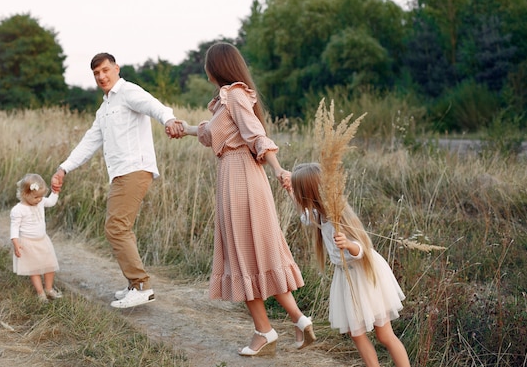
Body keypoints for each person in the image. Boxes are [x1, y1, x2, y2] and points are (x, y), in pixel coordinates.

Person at [175, 42, 315, 356]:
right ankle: (300, 319)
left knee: (242, 255)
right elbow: (212, 134)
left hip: (240, 178)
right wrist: (181, 128)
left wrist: (280, 169)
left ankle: (264, 331)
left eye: (207, 65)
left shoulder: (234, 95)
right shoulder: (226, 101)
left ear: (216, 68)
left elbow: (256, 134)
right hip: (240, 176)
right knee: (259, 254)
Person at [51, 52, 182, 309]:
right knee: (119, 227)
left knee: (116, 227)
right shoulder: (105, 109)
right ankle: (135, 285)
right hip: (121, 173)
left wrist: (169, 120)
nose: (101, 76)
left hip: (135, 169)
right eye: (96, 73)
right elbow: (89, 142)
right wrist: (63, 168)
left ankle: (141, 285)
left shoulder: (128, 92)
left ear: (116, 69)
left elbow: (154, 106)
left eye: (105, 70)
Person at [290, 162, 410, 367]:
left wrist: (348, 244)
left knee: (384, 334)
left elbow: (362, 248)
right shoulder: (318, 214)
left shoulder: (339, 214)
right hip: (347, 277)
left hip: (364, 274)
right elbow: (305, 218)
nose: (297, 197)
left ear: (308, 193)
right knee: (357, 334)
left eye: (298, 192)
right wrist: (288, 187)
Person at [10, 173, 63, 303]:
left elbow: (50, 202)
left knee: (49, 265)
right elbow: (14, 227)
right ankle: (40, 293)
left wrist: (55, 192)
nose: (39, 200)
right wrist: (15, 243)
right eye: (36, 197)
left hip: (43, 240)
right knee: (35, 269)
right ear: (24, 194)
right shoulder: (18, 210)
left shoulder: (40, 202)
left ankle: (49, 289)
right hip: (28, 243)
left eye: (41, 196)